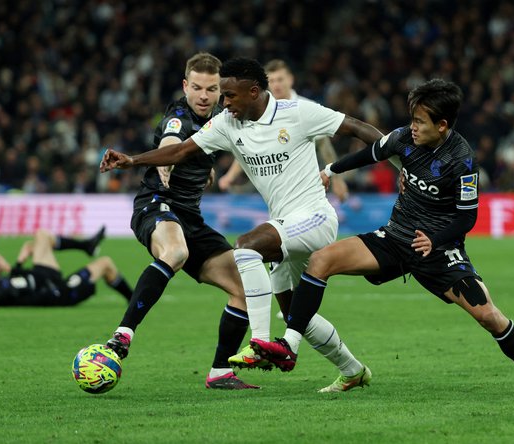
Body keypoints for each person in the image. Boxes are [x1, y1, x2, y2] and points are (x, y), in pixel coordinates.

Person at [250, 79, 514, 399]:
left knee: (488, 315)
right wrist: (331, 169)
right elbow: (371, 153)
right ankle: (290, 345)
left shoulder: (462, 161)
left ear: (441, 125)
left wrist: (435, 240)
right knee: (321, 260)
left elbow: (467, 217)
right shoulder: (403, 139)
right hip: (395, 237)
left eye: (419, 122)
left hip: (439, 251)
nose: (412, 127)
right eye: (412, 119)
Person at [101, 57, 387, 393]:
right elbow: (178, 149)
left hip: (316, 218)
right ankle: (352, 370)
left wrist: (402, 160)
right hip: (283, 225)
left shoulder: (297, 112)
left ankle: (261, 343)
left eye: (228, 95)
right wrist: (132, 160)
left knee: (246, 246)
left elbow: (356, 128)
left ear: (253, 92)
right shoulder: (226, 123)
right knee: (297, 314)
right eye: (218, 94)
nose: (222, 102)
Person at [102, 53, 258, 390]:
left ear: (221, 90)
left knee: (245, 288)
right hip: (156, 204)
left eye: (212, 89)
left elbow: (205, 145)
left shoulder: (221, 116)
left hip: (190, 216)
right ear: (185, 86)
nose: (203, 95)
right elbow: (172, 143)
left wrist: (208, 168)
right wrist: (165, 165)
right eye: (197, 87)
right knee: (175, 252)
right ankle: (122, 336)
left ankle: (220, 373)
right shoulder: (178, 116)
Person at [218, 59, 349, 202]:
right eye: (272, 81)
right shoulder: (258, 110)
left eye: (280, 79)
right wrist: (230, 176)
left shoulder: (305, 108)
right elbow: (248, 146)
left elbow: (324, 145)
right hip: (271, 184)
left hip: (303, 184)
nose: (276, 85)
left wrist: (337, 179)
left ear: (290, 80)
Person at [0, 227, 134, 306]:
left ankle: (86, 246)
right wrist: (15, 266)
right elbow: (31, 282)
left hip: (50, 284)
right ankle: (133, 300)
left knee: (41, 236)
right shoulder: (0, 288)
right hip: (60, 292)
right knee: (105, 263)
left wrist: (19, 265)